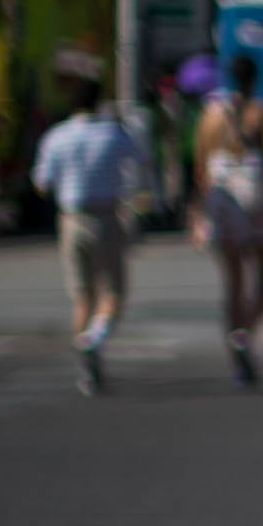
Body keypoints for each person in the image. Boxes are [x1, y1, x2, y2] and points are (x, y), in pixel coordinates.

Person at [31, 76, 154, 395]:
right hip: (107, 215)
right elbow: (142, 162)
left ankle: (84, 367)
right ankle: (93, 340)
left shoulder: (57, 136)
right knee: (114, 292)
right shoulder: (113, 132)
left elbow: (42, 182)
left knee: (82, 294)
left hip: (71, 218)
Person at [192, 53, 263, 386]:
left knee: (233, 281)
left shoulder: (211, 116)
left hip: (221, 198)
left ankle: (236, 352)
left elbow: (200, 168)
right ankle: (247, 331)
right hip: (254, 197)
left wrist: (198, 212)